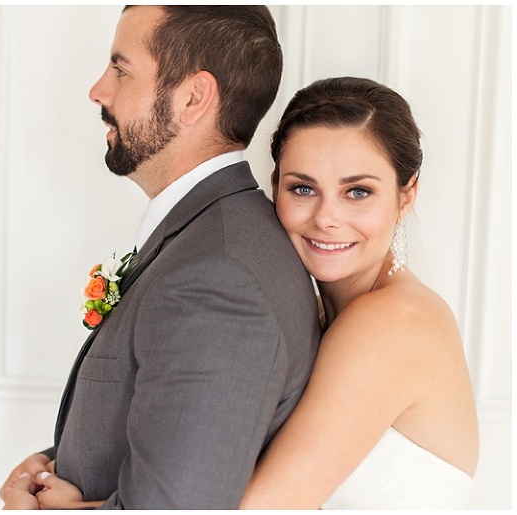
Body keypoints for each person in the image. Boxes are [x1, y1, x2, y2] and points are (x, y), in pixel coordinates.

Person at [28, 77, 480, 509]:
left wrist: (77, 508)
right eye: (303, 188)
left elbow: (252, 508)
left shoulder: (392, 324)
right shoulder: (314, 311)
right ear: (275, 186)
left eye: (357, 192)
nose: (326, 218)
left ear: (406, 196)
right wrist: (52, 463)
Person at [0, 5, 321, 510]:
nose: (98, 91)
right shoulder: (207, 238)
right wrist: (55, 462)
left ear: (193, 97)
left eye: (121, 69)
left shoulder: (219, 276)